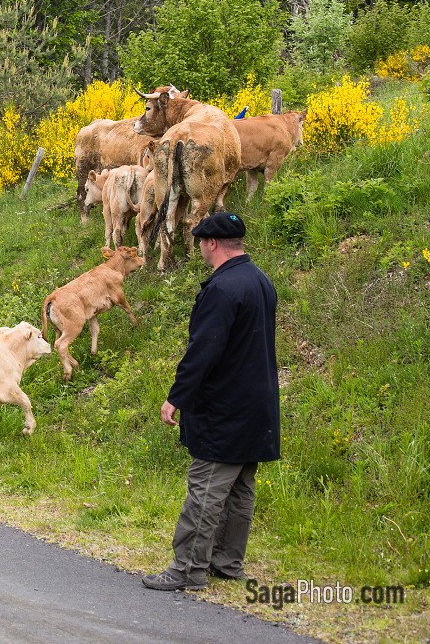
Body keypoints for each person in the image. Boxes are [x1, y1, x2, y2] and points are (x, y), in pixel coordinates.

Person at [143, 213, 280, 592]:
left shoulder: (222, 289)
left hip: (225, 407)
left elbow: (204, 351)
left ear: (212, 244)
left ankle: (188, 568)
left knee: (206, 488)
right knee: (239, 489)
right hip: (258, 404)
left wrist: (176, 397)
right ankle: (227, 561)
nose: (201, 247)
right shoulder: (260, 281)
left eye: (202, 241)